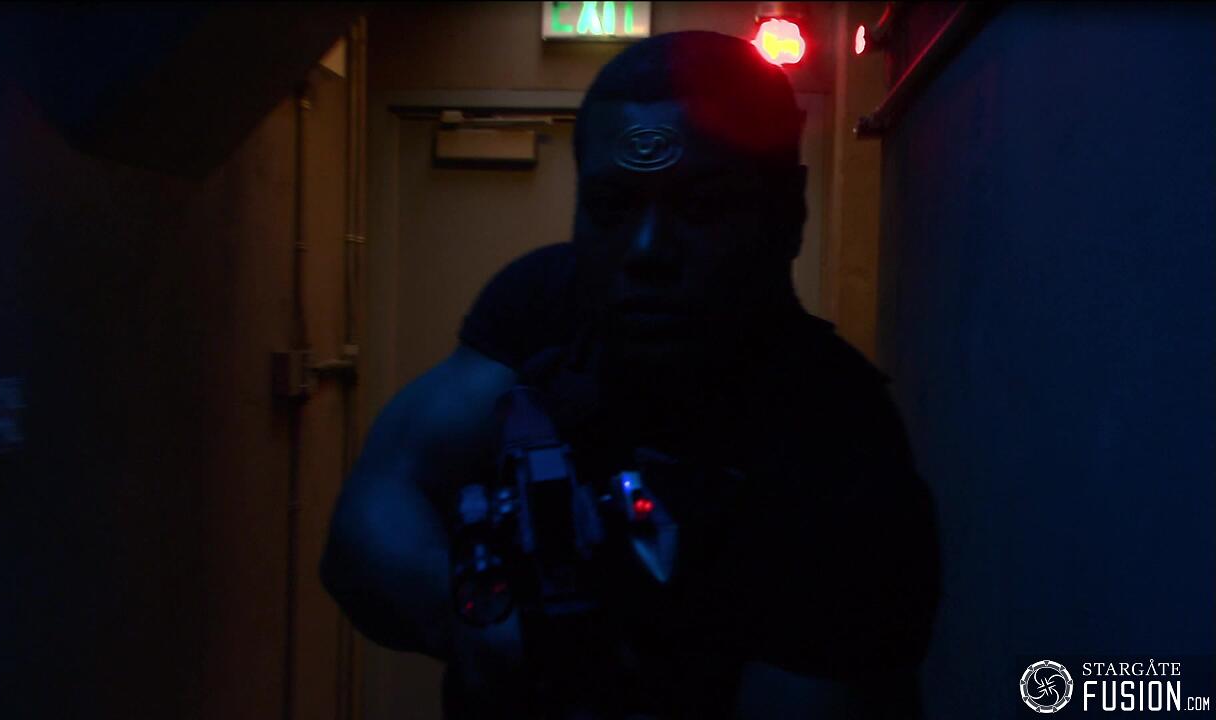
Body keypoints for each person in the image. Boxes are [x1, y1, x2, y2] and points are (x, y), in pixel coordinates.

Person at [320, 31, 940, 719]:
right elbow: (367, 520)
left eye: (701, 207)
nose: (646, 251)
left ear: (788, 213)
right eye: (613, 207)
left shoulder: (842, 451)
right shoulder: (548, 302)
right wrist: (478, 625)